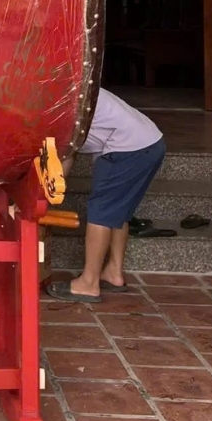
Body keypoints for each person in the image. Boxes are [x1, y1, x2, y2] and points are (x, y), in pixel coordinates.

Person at [47, 89, 166, 303]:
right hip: (151, 143)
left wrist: (43, 198)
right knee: (118, 212)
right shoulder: (74, 86)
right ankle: (113, 273)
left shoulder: (59, 100)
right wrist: (50, 192)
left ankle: (88, 283)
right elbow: (68, 153)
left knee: (100, 212)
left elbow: (64, 159)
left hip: (127, 149)